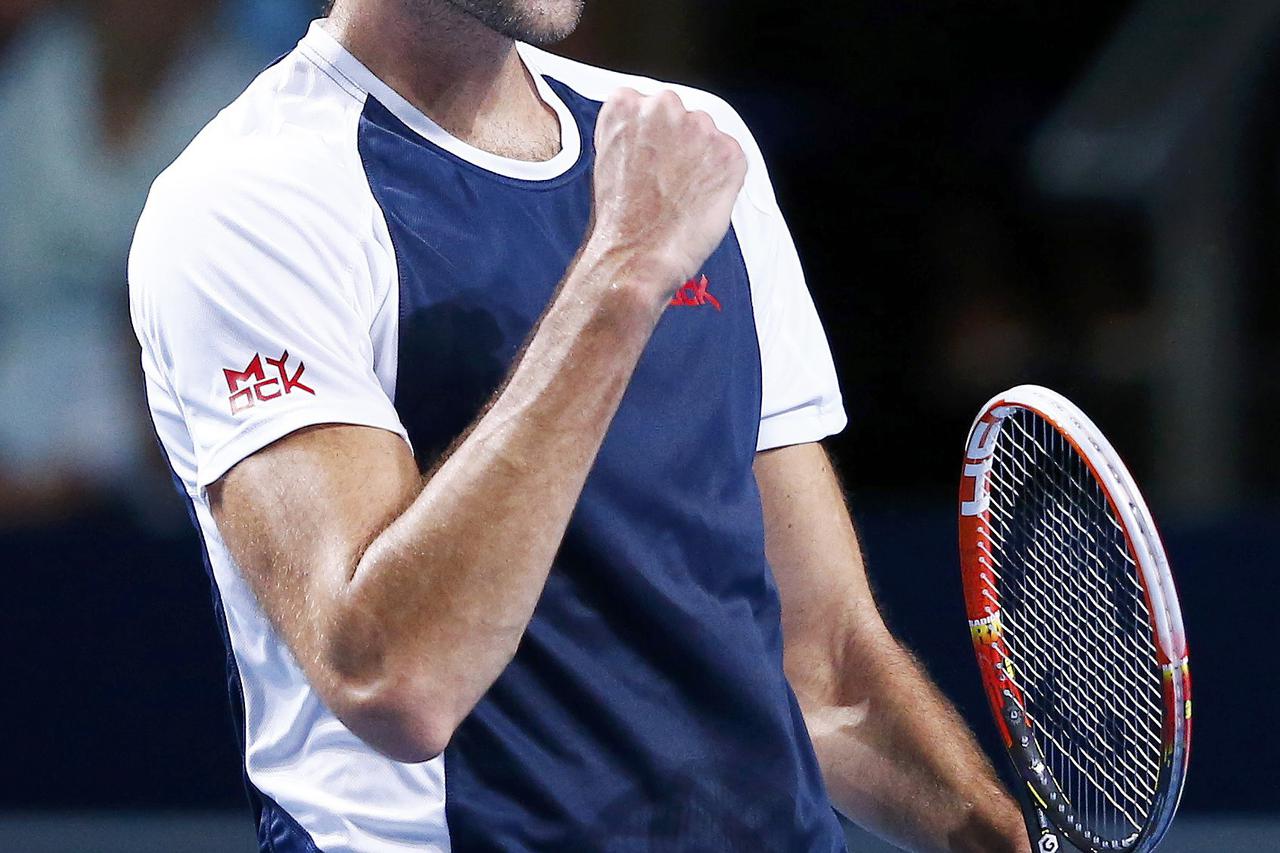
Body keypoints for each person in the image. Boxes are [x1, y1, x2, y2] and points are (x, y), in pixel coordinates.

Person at [128, 1, 1029, 850]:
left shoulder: (694, 147)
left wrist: (997, 838)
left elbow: (824, 662)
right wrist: (622, 276)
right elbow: (395, 679)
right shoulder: (247, 201)